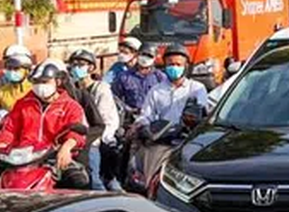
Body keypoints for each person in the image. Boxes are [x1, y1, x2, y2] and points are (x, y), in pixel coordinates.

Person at [0, 60, 87, 182]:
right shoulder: (22, 104)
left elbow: (77, 132)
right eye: (36, 82)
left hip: (52, 157)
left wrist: (66, 147)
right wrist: (1, 146)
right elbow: (9, 129)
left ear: (57, 82)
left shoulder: (71, 106)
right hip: (21, 158)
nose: (40, 86)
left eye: (45, 81)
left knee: (78, 181)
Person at [133, 47, 208, 183]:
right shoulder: (156, 90)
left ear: (186, 66)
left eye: (178, 64)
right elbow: (145, 115)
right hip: (161, 143)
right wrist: (144, 127)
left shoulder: (197, 89)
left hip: (186, 142)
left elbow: (201, 115)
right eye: (170, 64)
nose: (174, 67)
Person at [68, 49, 120, 191]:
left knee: (93, 180)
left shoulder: (101, 89)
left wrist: (90, 138)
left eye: (81, 64)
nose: (76, 68)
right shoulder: (73, 90)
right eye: (74, 64)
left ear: (91, 67)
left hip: (99, 136)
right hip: (78, 136)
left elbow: (104, 122)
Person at [111, 42, 167, 113]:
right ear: (137, 54)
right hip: (131, 118)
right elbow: (114, 96)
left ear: (155, 58)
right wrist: (128, 109)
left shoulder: (160, 77)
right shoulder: (124, 77)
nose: (145, 58)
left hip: (154, 117)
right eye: (143, 54)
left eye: (149, 56)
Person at [0, 44, 34, 111]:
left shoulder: (35, 90)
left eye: (16, 68)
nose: (12, 71)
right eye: (9, 68)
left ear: (27, 70)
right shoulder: (0, 93)